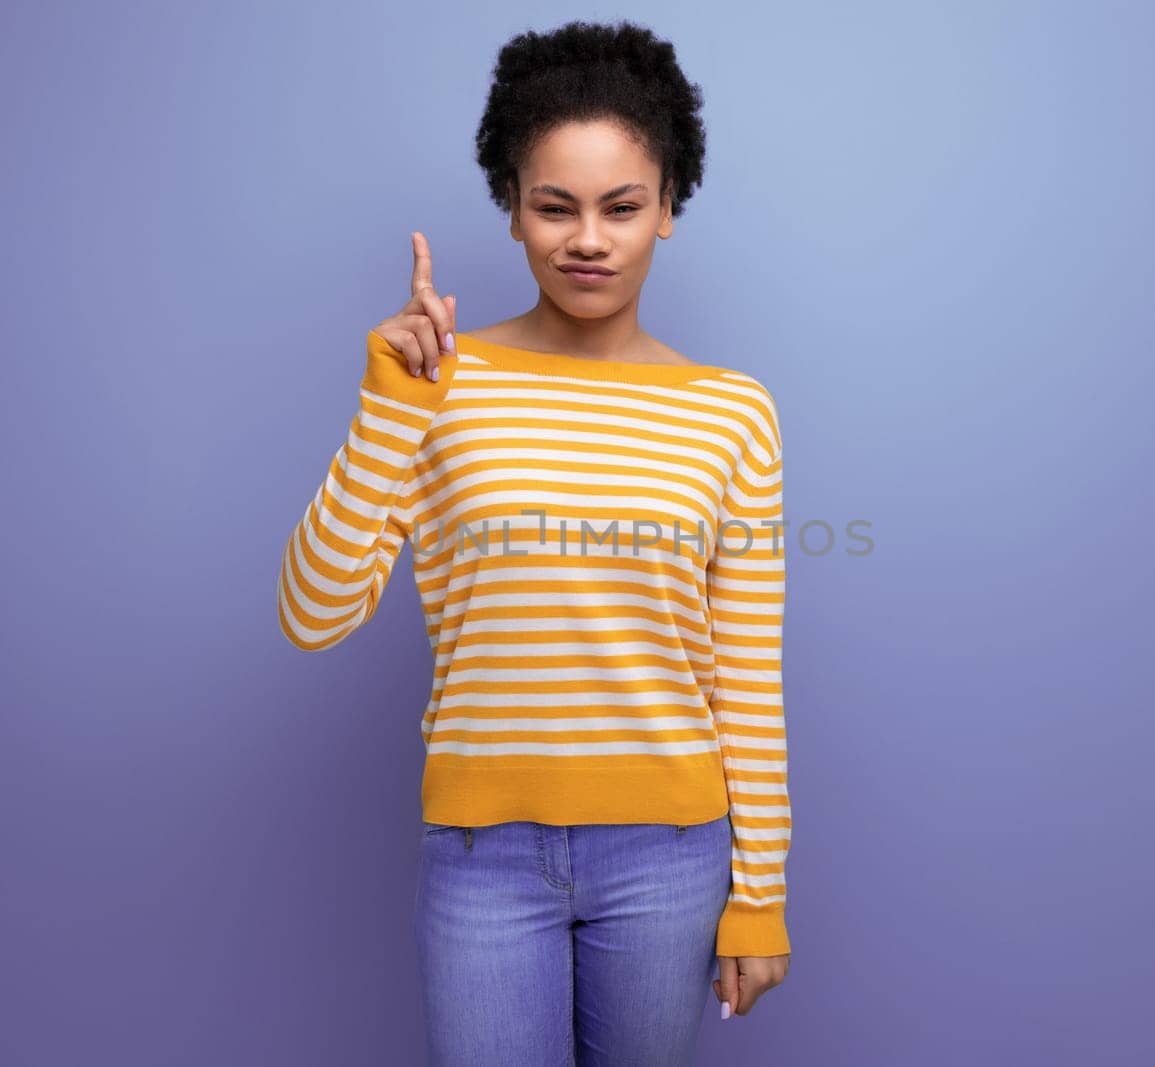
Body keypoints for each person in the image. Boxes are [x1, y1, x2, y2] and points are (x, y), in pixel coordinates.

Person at [276, 19, 790, 1065]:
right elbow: (312, 617)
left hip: (671, 857)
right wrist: (389, 409)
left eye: (621, 206)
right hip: (482, 857)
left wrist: (761, 897)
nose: (588, 238)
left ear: (670, 208)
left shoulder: (731, 412)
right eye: (554, 205)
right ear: (511, 209)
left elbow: (745, 673)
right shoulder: (437, 385)